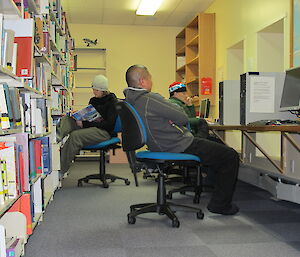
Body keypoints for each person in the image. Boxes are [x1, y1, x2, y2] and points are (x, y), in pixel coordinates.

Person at [124, 64, 240, 215]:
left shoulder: (129, 101)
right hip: (177, 144)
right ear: (142, 81)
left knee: (216, 147)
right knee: (230, 155)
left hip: (159, 145)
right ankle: (220, 204)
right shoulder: (149, 99)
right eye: (150, 78)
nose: (151, 82)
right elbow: (182, 117)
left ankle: (213, 189)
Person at [56, 74, 118, 175]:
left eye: (96, 90)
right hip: (91, 127)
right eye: (93, 89)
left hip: (104, 132)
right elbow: (89, 115)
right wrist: (79, 116)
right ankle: (57, 137)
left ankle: (61, 169)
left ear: (103, 90)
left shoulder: (112, 102)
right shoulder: (93, 100)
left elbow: (109, 125)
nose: (94, 92)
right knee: (69, 119)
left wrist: (84, 124)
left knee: (75, 136)